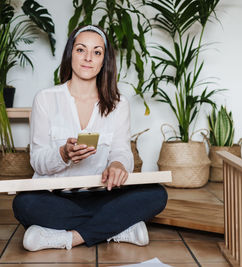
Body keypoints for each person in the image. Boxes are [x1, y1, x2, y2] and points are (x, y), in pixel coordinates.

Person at [12, 25, 167, 251]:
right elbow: (37, 160)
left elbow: (122, 151)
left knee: (156, 194)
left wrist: (117, 164)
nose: (88, 58)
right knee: (24, 204)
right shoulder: (45, 99)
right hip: (57, 198)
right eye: (81, 50)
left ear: (104, 60)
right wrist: (63, 154)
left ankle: (69, 237)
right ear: (70, 54)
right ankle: (119, 228)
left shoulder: (118, 103)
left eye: (97, 52)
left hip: (104, 195)